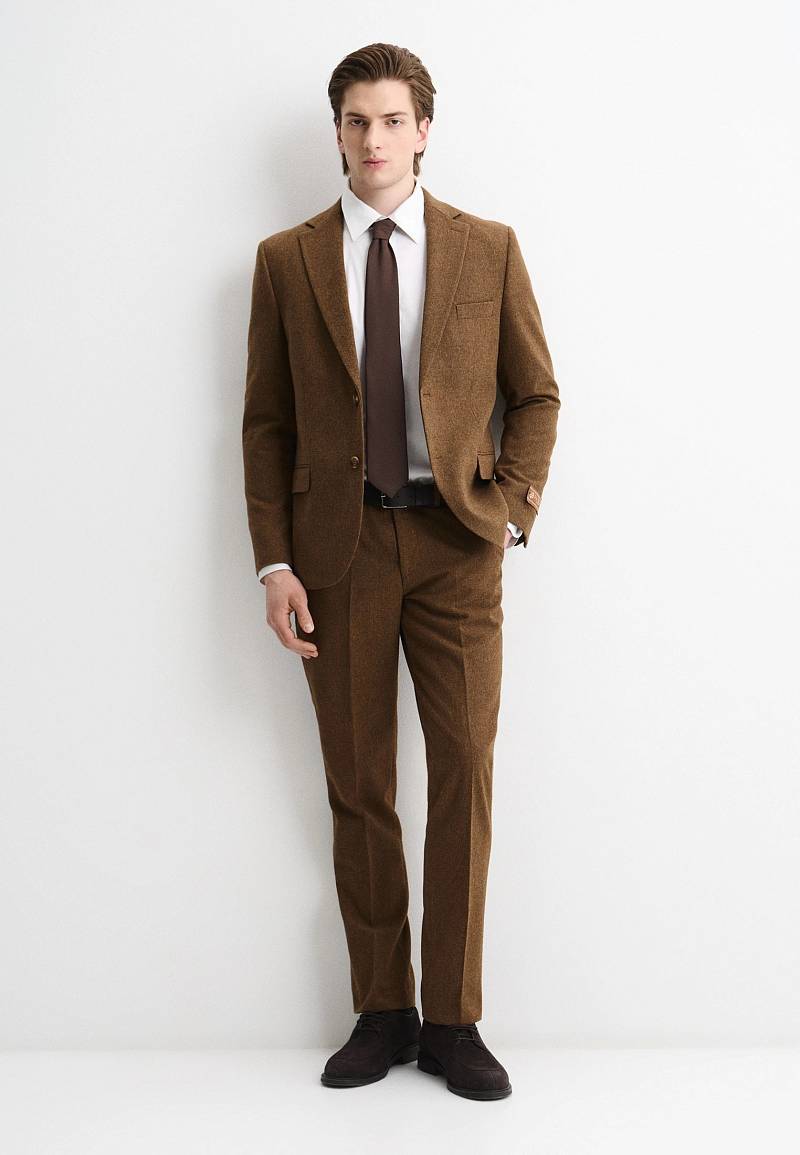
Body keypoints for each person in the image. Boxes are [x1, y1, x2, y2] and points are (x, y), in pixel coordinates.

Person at [242, 42, 560, 1101]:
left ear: (423, 130)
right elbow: (266, 422)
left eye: (390, 121)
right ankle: (382, 1009)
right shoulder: (286, 261)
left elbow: (536, 393)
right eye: (355, 121)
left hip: (456, 545)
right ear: (336, 132)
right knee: (359, 781)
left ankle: (454, 1020)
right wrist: (275, 561)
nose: (372, 140)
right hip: (336, 554)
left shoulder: (486, 248)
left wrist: (510, 509)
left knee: (464, 770)